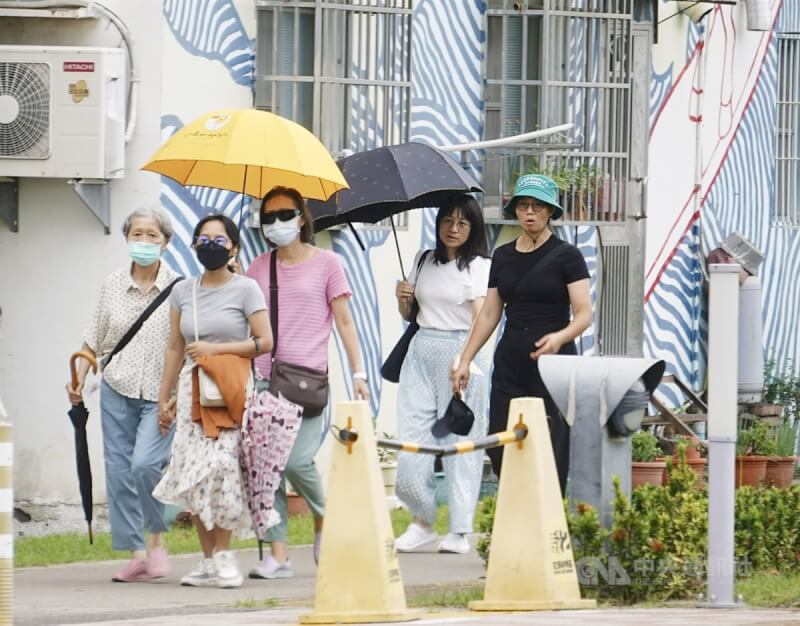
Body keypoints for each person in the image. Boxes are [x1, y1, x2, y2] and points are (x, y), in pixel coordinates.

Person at [245, 185, 370, 580]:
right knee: (269, 470)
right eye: (269, 217)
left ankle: (328, 519)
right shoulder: (258, 267)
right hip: (266, 380)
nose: (277, 223)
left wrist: (358, 373)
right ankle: (279, 555)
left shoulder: (328, 263)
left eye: (285, 214)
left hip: (309, 382)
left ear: (302, 218)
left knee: (298, 461)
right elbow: (243, 317)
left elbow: (345, 322)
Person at [451, 174, 592, 495]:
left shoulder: (568, 256)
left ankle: (550, 509)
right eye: (523, 206)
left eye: (537, 207)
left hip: (554, 361)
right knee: (499, 440)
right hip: (512, 356)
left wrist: (560, 337)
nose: (529, 213)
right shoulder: (502, 255)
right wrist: (465, 359)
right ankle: (517, 502)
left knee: (552, 439)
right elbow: (489, 312)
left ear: (550, 212)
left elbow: (584, 313)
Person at [153, 214, 271, 589]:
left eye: (219, 240)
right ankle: (207, 561)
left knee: (222, 473)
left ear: (233, 247)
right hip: (193, 393)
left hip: (231, 392)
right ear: (193, 245)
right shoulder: (182, 291)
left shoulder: (246, 289)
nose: (211, 245)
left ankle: (223, 555)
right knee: (195, 477)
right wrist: (164, 397)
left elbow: (265, 342)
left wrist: (216, 349)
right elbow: (174, 346)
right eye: (203, 239)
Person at [65, 207, 180, 582]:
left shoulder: (179, 287)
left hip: (162, 395)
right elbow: (93, 339)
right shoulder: (112, 284)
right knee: (117, 472)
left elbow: (188, 342)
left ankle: (157, 541)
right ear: (127, 238)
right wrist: (78, 380)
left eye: (152, 235)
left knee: (144, 466)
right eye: (137, 234)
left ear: (166, 242)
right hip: (116, 387)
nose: (144, 242)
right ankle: (136, 553)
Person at [393, 195, 491, 555]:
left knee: (459, 443)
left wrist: (465, 359)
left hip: (463, 354)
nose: (453, 228)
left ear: (473, 228)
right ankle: (421, 521)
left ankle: (460, 530)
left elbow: (483, 318)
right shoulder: (423, 259)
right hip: (420, 351)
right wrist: (403, 297)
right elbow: (410, 315)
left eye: (462, 223)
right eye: (447, 221)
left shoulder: (480, 266)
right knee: (412, 439)